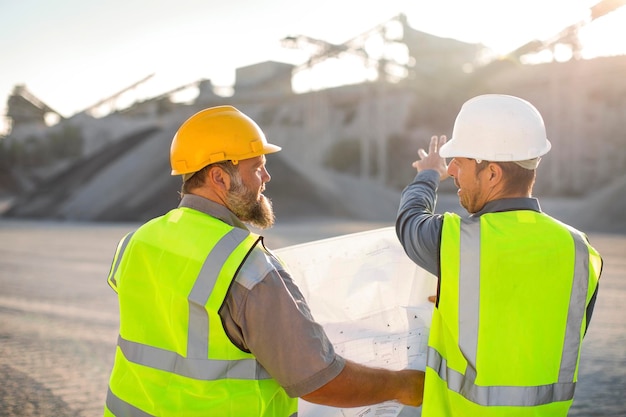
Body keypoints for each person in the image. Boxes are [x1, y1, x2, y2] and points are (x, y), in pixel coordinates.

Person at [103, 105, 425, 417]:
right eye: (256, 167)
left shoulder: (139, 240)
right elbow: (320, 380)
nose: (267, 177)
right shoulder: (245, 267)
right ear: (219, 177)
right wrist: (403, 384)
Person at [395, 94, 603, 416]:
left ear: (492, 174)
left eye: (459, 163)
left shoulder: (454, 241)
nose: (452, 172)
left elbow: (409, 219)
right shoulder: (580, 250)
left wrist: (429, 174)